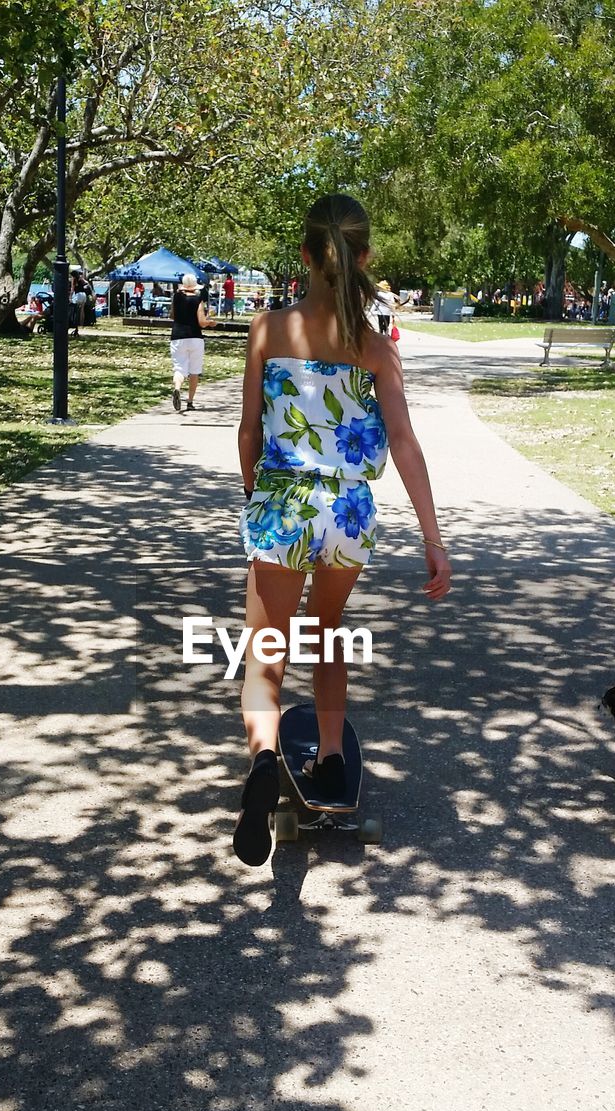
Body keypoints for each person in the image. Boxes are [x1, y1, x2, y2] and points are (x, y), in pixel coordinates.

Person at [232, 193, 452, 866]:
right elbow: (406, 445)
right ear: (364, 259)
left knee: (265, 654)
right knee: (326, 635)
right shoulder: (378, 349)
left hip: (283, 504)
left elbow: (247, 433)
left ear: (304, 255)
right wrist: (432, 539)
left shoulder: (268, 330)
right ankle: (329, 756)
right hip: (349, 515)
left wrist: (258, 500)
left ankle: (266, 760)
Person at [170, 272, 215, 412]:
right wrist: (210, 323)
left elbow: (172, 315)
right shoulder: (198, 300)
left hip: (177, 336)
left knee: (179, 369)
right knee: (194, 371)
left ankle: (177, 388)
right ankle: (190, 401)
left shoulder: (176, 298)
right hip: (195, 337)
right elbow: (201, 322)